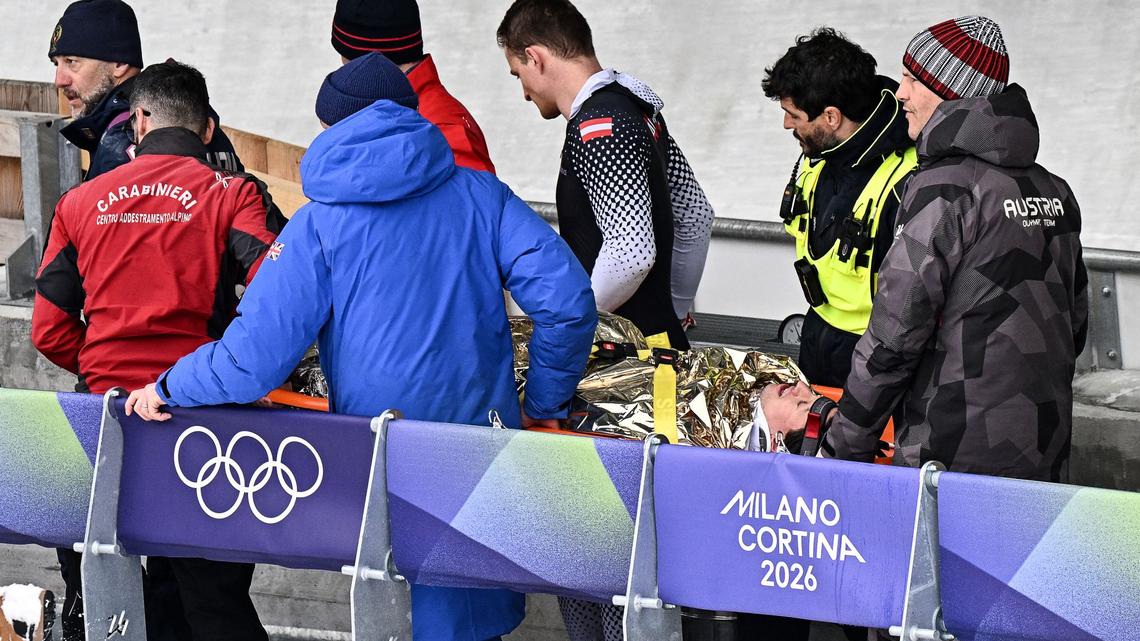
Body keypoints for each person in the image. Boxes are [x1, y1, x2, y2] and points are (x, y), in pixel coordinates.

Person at [124, 52, 598, 641]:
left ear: (333, 129)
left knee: (393, 617)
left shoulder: (318, 225)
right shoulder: (483, 196)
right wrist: (543, 403)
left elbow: (251, 361)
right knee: (469, 621)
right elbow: (567, 303)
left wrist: (169, 385)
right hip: (480, 451)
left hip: (377, 462)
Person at [32, 61, 283, 641]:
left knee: (113, 604)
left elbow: (48, 328)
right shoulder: (232, 193)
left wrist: (102, 364)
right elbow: (279, 296)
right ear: (209, 129)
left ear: (139, 121)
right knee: (212, 603)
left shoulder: (79, 201)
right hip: (204, 423)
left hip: (103, 420)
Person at [821, 16, 1088, 483]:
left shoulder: (944, 189)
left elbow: (893, 339)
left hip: (950, 456)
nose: (900, 93)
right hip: (1044, 448)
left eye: (912, 79)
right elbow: (1076, 325)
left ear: (951, 92)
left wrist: (842, 448)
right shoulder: (1054, 191)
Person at [496, 0, 714, 351]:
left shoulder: (599, 127)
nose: (524, 92)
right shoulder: (636, 105)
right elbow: (695, 215)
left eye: (518, 74)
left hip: (624, 360)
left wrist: (570, 330)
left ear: (535, 58)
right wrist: (673, 312)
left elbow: (632, 253)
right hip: (660, 346)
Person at [763, 28, 916, 388]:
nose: (787, 124)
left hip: (875, 360)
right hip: (817, 338)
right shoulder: (821, 155)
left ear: (831, 117)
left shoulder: (909, 182)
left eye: (793, 115)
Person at [49, 0, 241, 179]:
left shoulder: (124, 137)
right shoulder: (191, 111)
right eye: (56, 64)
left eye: (71, 62)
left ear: (120, 63)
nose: (59, 80)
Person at [331, 0, 496, 173]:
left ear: (368, 64)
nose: (346, 77)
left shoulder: (443, 133)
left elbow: (476, 191)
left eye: (347, 65)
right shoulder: (406, 115)